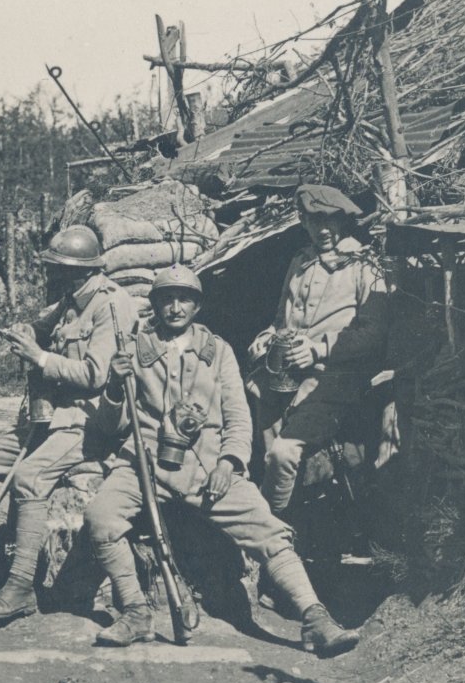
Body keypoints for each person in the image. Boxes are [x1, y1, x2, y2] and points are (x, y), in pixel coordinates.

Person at [82, 265, 359, 654]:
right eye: (166, 299)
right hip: (146, 464)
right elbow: (111, 425)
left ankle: (316, 619)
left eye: (184, 299)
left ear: (197, 305)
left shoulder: (218, 351)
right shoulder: (134, 351)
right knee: (100, 517)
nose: (175, 307)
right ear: (156, 305)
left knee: (270, 532)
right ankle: (135, 612)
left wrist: (229, 463)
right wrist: (113, 386)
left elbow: (238, 417)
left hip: (207, 465)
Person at [0, 224, 138, 621]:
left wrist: (39, 358)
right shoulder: (70, 299)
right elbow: (46, 331)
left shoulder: (111, 305)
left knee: (28, 478)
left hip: (90, 420)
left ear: (79, 269)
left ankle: (20, 587)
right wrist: (29, 332)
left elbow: (97, 374)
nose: (50, 274)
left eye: (57, 267)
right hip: (53, 415)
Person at [250, 182, 390, 515]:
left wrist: (319, 350)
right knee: (251, 407)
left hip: (334, 378)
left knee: (282, 454)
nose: (323, 229)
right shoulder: (300, 262)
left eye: (329, 220)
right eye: (314, 220)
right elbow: (281, 320)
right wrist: (266, 337)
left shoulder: (363, 264)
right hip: (285, 375)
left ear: (343, 220)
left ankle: (270, 530)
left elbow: (375, 332)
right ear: (303, 222)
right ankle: (287, 509)